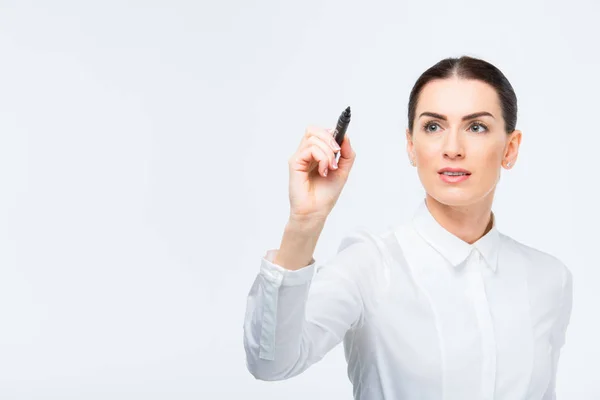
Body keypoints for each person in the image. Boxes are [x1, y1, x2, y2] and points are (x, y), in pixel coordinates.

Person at [242, 55, 573, 400]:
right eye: (433, 127)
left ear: (511, 148)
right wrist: (304, 223)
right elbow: (271, 363)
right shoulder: (369, 267)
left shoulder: (549, 279)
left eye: (476, 127)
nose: (453, 149)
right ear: (411, 146)